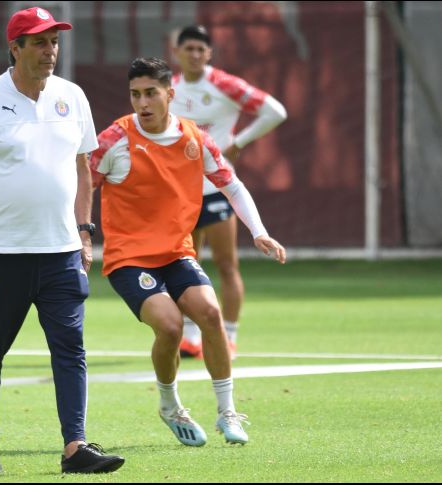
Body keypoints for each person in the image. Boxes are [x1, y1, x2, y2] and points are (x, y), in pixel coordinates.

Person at [0, 6, 124, 475]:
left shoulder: (72, 96)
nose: (50, 52)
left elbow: (84, 167)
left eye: (54, 42)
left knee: (70, 349)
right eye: (39, 42)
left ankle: (75, 447)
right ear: (15, 48)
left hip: (61, 253)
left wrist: (84, 233)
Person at [91, 57, 285, 446]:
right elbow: (81, 185)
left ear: (170, 95)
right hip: (129, 257)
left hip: (177, 253)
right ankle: (170, 406)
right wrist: (78, 234)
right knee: (170, 325)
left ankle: (227, 412)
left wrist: (259, 232)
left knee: (211, 314)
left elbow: (232, 184)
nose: (142, 103)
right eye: (135, 95)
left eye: (150, 93)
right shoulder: (115, 138)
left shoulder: (194, 137)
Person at [170, 25, 288, 359]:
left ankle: (230, 335)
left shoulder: (223, 84)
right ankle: (191, 336)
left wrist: (238, 143)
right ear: (176, 52)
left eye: (200, 49)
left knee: (226, 264)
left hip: (219, 189)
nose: (194, 54)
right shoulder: (169, 89)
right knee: (184, 264)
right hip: (182, 193)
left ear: (209, 54)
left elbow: (276, 111)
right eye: (188, 48)